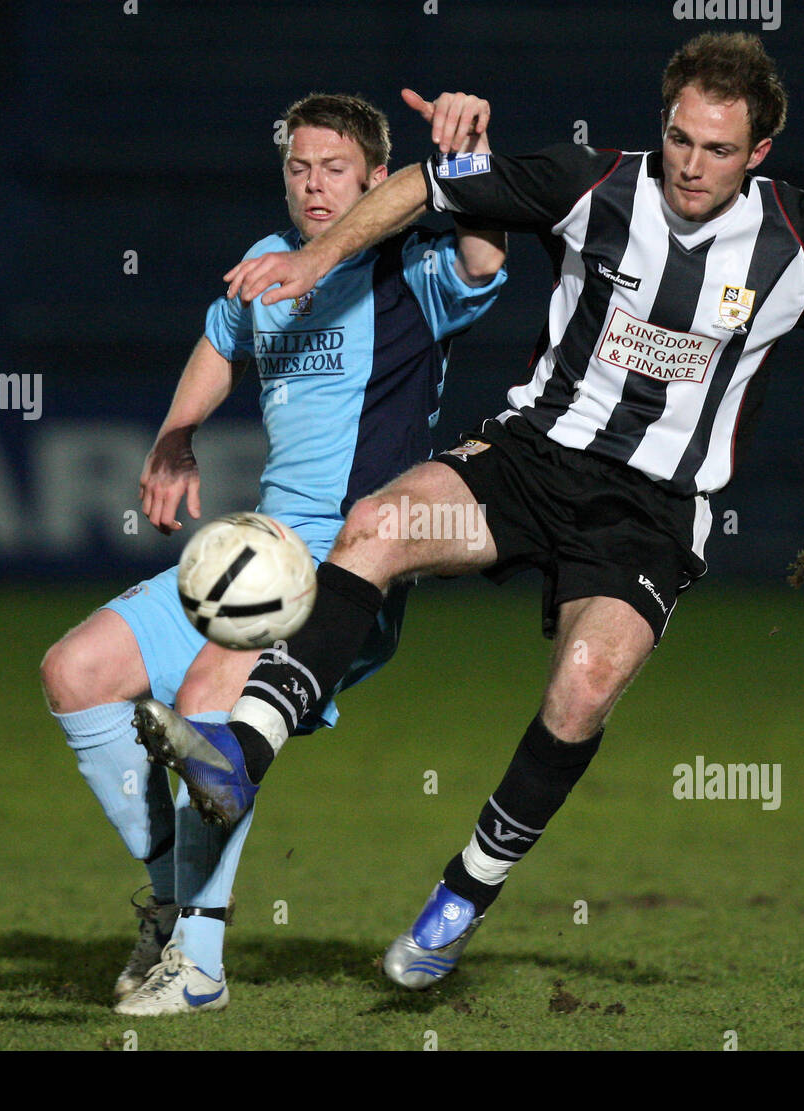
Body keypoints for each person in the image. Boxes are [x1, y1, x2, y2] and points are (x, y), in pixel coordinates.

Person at [143, 31, 804, 991]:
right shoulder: (592, 184)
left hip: (654, 510)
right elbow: (426, 184)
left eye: (718, 149)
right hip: (533, 461)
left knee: (584, 686)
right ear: (659, 126)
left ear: (757, 156)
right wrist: (317, 259)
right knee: (376, 524)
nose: (692, 164)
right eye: (679, 139)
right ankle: (241, 749)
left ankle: (465, 891)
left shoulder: (792, 244)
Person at [40, 90, 506, 1013]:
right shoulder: (269, 264)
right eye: (299, 168)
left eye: (335, 168)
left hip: (346, 570)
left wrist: (471, 155)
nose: (314, 185)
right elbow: (223, 341)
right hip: (254, 557)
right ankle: (177, 901)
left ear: (378, 178)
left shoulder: (412, 270)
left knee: (212, 701)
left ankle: (199, 968)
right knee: (77, 670)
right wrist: (176, 435)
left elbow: (485, 253)